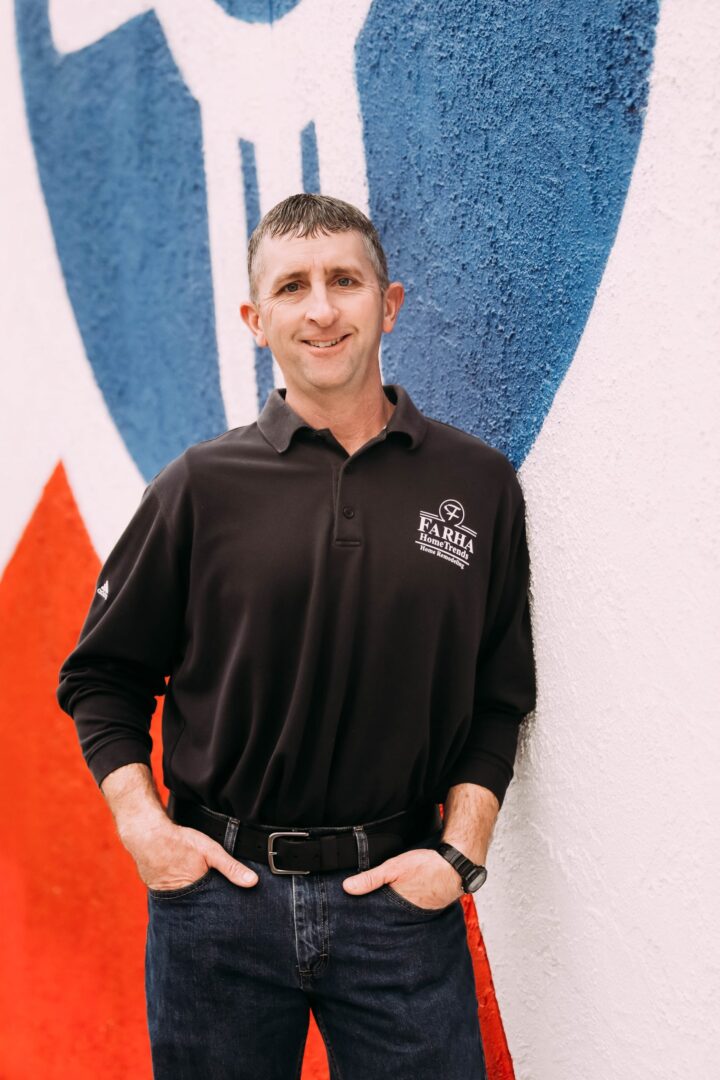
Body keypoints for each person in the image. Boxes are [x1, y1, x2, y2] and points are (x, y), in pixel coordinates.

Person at [57, 193, 536, 1079]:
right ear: (256, 318)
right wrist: (145, 830)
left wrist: (459, 856)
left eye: (345, 280)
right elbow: (102, 677)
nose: (321, 309)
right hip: (219, 909)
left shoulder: (478, 485)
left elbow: (501, 697)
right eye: (293, 287)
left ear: (388, 304)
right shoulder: (200, 486)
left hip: (399, 902)